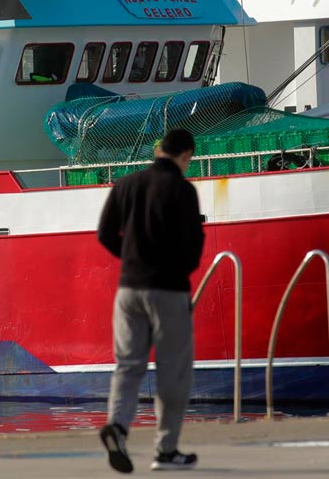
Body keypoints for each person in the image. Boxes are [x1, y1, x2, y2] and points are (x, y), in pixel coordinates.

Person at [96, 128, 205, 473]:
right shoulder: (182, 190)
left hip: (128, 290)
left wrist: (130, 260)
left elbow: (104, 233)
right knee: (172, 372)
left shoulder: (126, 185)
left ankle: (118, 427)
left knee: (128, 366)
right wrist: (177, 270)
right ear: (185, 155)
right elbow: (193, 247)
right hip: (168, 290)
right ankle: (166, 450)